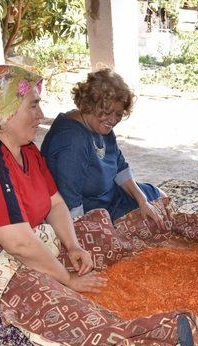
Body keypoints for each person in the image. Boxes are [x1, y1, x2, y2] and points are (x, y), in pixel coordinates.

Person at [0, 65, 198, 346]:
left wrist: (72, 246)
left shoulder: (26, 150)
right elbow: (17, 243)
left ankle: (134, 325)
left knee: (94, 233)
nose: (40, 114)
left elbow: (56, 203)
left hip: (24, 244)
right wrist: (67, 279)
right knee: (61, 306)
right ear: (2, 110)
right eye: (32, 104)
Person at [40, 68, 166, 229]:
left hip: (111, 196)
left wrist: (143, 201)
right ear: (88, 105)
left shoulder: (99, 125)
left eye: (118, 114)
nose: (113, 120)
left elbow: (120, 167)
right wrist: (82, 236)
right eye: (107, 112)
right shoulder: (71, 140)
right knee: (147, 228)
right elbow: (69, 202)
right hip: (88, 208)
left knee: (161, 199)